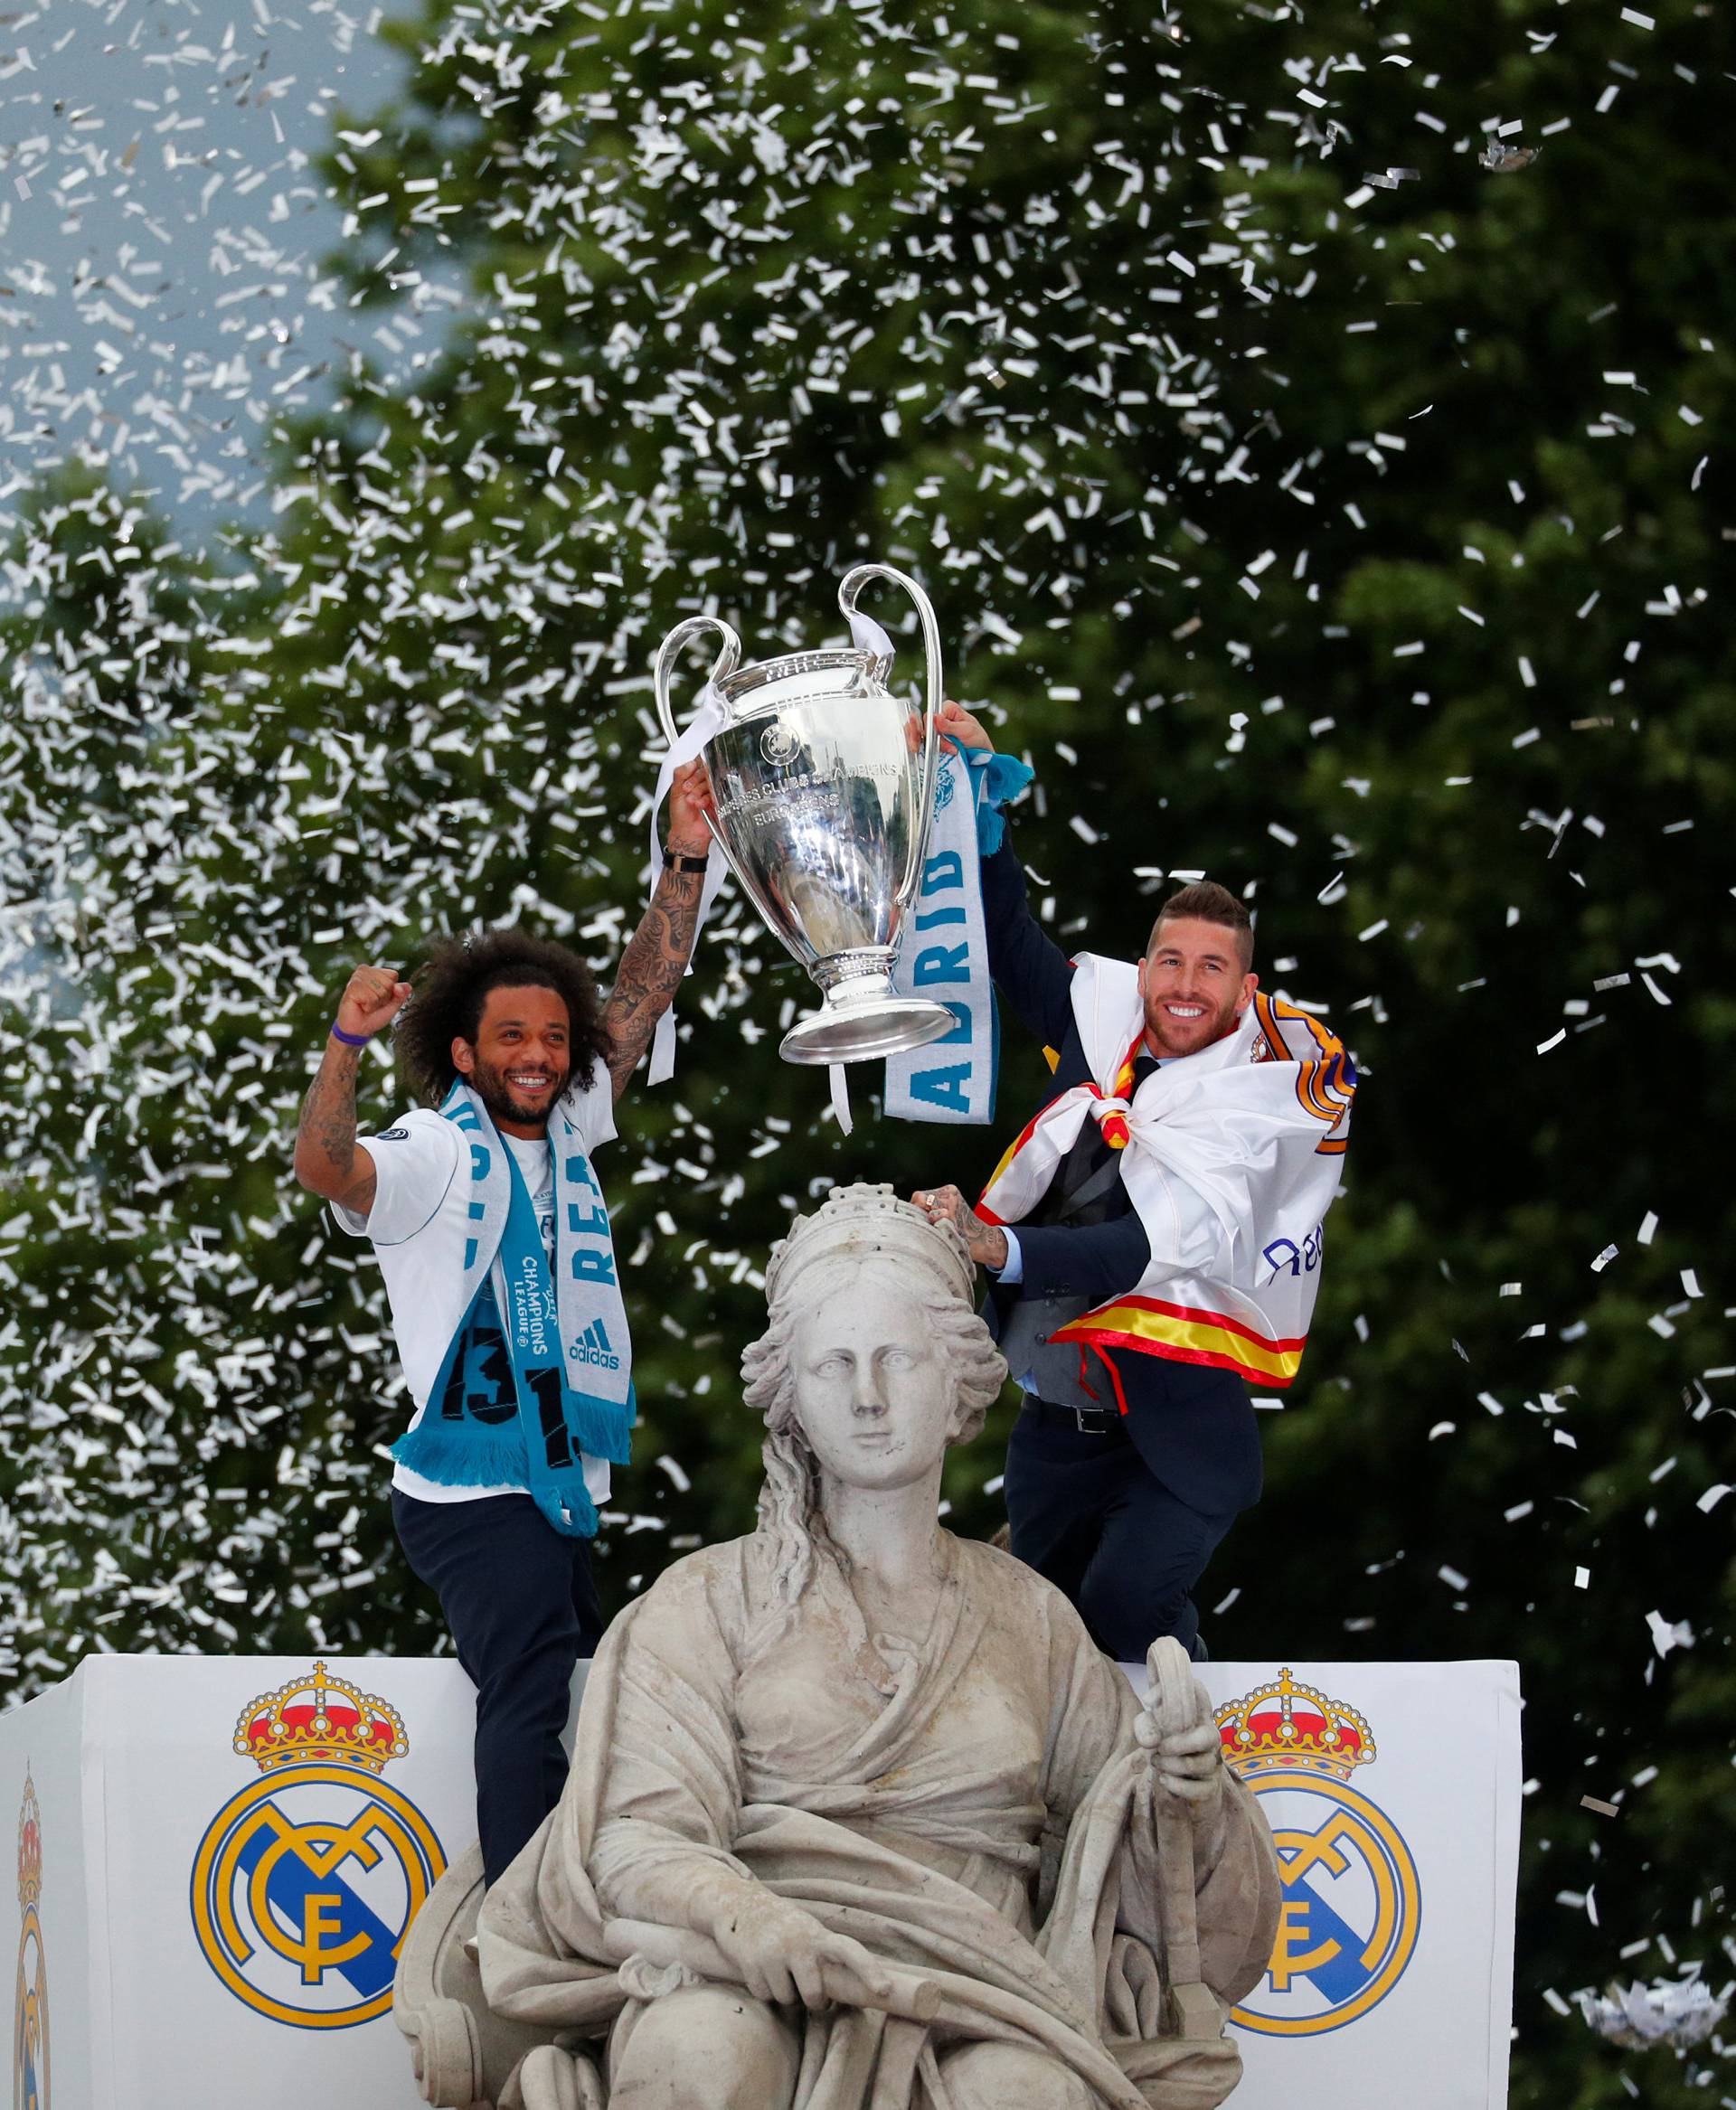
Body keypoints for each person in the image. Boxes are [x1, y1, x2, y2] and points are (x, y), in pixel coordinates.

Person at [469, 1183, 1279, 2110]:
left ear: (958, 1383)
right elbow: (637, 1839)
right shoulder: (705, 1603)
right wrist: (752, 1921)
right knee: (704, 2053)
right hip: (748, 1972)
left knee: (1026, 2097)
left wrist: (1188, 1798)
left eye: (897, 1358)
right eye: (833, 1366)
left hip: (981, 1992)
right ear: (791, 1399)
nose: (866, 1396)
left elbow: (1133, 1870)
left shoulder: (1034, 1619)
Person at [292, 758, 716, 1887]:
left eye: (552, 1038)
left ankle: (559, 1901)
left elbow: (644, 992)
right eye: (511, 1040)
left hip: (557, 1478)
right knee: (531, 1693)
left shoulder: (573, 1126)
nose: (538, 1056)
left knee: (582, 1694)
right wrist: (344, 1045)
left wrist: (685, 857)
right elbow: (325, 1166)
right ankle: (522, 1940)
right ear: (464, 1056)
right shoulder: (433, 1152)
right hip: (471, 1488)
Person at [913, 702, 1354, 1665]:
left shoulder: (1253, 1105)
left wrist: (998, 1245)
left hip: (1174, 1440)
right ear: (1146, 963)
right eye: (1169, 960)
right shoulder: (1102, 1022)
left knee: (1121, 1613)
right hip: (1057, 1426)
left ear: (1244, 988)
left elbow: (1136, 1251)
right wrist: (981, 812)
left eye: (1211, 968)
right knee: (1031, 1643)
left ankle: (1194, 1785)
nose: (1184, 985)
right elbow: (1004, 938)